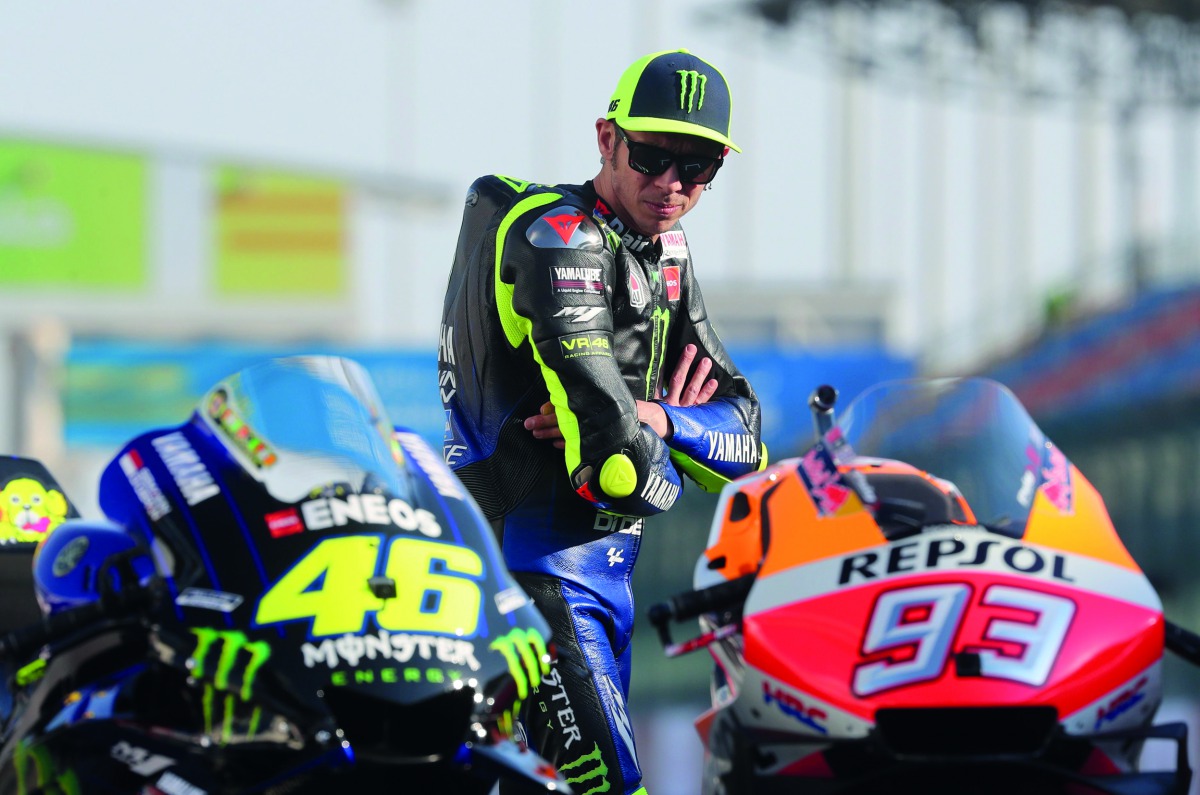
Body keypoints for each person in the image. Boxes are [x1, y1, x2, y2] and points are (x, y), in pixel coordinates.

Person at [438, 48, 765, 795]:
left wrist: (657, 417)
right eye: (651, 156)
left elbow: (747, 442)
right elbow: (620, 472)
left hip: (606, 582)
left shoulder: (665, 250)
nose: (671, 183)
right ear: (606, 139)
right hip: (533, 579)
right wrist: (662, 438)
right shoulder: (558, 237)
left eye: (699, 167)